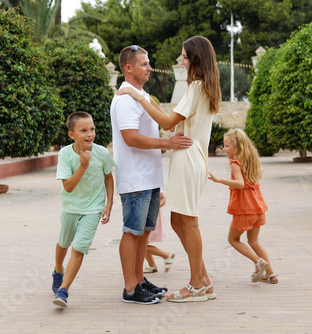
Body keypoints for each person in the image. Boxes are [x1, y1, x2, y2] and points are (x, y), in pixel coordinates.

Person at [116, 36, 221, 302]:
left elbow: (166, 121)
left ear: (195, 59)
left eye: (185, 57)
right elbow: (171, 125)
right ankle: (203, 279)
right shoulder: (203, 87)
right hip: (192, 157)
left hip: (187, 156)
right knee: (178, 221)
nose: (182, 61)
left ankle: (197, 284)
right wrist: (142, 98)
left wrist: (139, 97)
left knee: (189, 222)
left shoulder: (196, 87)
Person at [110, 45, 193, 304]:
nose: (149, 68)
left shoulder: (140, 96)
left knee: (144, 232)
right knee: (132, 232)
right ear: (128, 68)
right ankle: (130, 288)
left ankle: (139, 280)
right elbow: (131, 138)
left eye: (148, 63)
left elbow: (164, 122)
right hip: (135, 178)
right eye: (144, 64)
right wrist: (168, 144)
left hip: (149, 177)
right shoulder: (125, 98)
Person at [52, 112, 115, 307]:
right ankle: (57, 270)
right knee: (63, 243)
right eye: (84, 130)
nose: (90, 134)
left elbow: (108, 177)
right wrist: (83, 166)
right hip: (71, 207)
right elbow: (68, 187)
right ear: (72, 135)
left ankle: (63, 290)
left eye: (92, 129)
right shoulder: (64, 154)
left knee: (79, 247)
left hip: (93, 209)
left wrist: (109, 204)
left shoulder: (102, 153)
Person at [208, 129, 278, 284]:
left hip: (245, 210)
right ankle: (271, 275)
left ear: (237, 147)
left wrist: (219, 180)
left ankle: (258, 262)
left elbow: (240, 184)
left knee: (233, 239)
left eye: (227, 146)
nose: (224, 149)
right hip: (258, 208)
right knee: (254, 242)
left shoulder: (235, 164)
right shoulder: (252, 160)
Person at [144, 193, 175, 273]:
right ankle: (151, 265)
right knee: (143, 242)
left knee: (139, 244)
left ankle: (166, 255)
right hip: (145, 216)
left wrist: (151, 209)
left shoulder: (152, 183)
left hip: (149, 216)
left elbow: (164, 199)